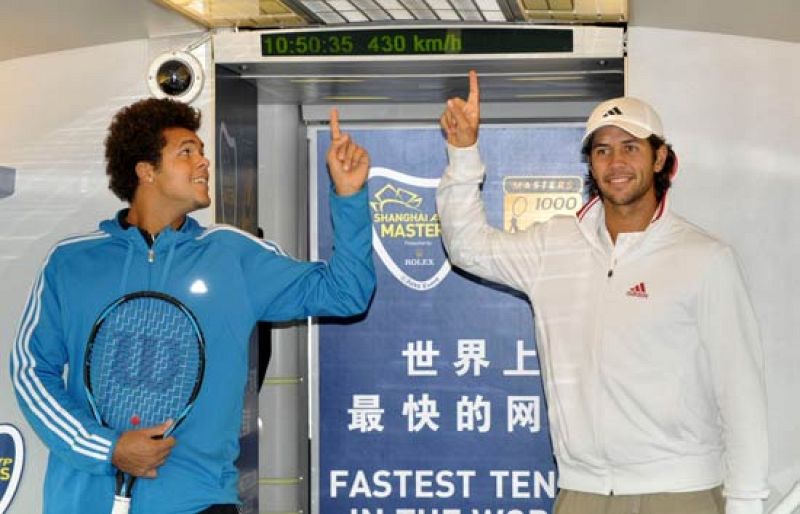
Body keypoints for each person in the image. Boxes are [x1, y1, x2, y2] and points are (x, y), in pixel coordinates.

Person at [10, 98, 375, 514]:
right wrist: (107, 448)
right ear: (146, 171)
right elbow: (30, 371)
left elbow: (347, 293)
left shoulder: (233, 255)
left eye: (202, 152)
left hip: (199, 502)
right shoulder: (71, 262)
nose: (203, 163)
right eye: (186, 152)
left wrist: (349, 197)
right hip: (81, 502)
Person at [437, 71, 768, 514]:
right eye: (602, 150)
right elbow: (467, 248)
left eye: (630, 147)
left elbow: (741, 392)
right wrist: (462, 156)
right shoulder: (553, 245)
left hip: (681, 493)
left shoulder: (704, 257)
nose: (616, 163)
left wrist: (747, 504)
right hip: (582, 494)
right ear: (590, 163)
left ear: (659, 158)